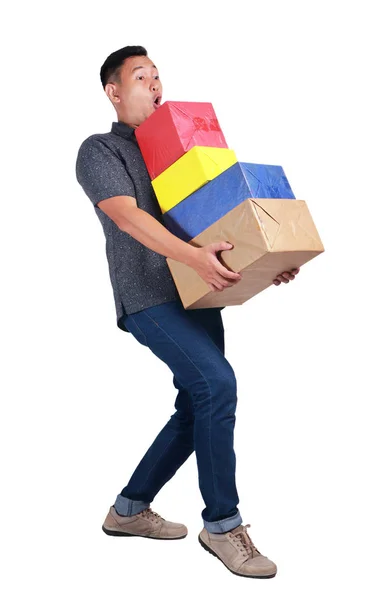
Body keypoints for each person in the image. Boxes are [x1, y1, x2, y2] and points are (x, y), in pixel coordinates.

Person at [75, 45, 300, 579]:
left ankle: (127, 511)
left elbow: (220, 218)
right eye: (141, 77)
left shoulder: (177, 151)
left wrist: (267, 256)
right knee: (217, 385)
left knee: (197, 405)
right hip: (148, 296)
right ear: (113, 90)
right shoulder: (99, 150)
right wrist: (195, 256)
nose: (154, 85)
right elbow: (128, 218)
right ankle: (223, 525)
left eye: (159, 76)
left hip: (197, 293)